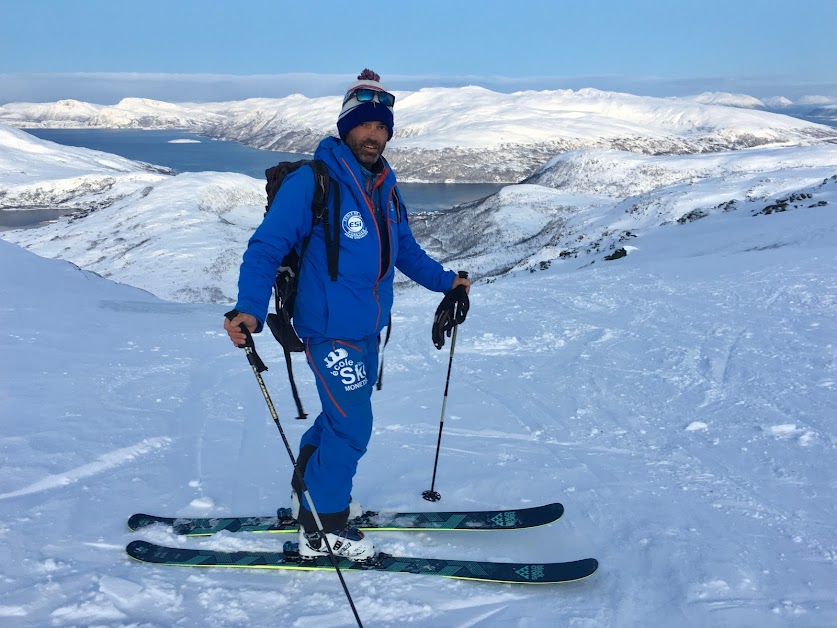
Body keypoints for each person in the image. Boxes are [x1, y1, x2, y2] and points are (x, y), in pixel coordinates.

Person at [224, 69, 470, 560]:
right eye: (364, 125)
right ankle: (325, 528)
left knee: (337, 420)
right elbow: (266, 247)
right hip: (327, 332)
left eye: (382, 126)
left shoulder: (385, 188)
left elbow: (406, 252)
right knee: (352, 427)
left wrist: (449, 282)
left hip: (367, 330)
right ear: (345, 127)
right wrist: (249, 309)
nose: (374, 134)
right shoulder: (312, 182)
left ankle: (310, 497)